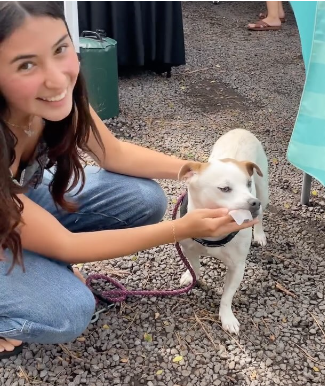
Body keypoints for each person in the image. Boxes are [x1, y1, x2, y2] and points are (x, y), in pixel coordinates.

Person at [0, 1, 259, 359]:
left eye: (60, 49)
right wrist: (182, 229)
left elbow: (114, 154)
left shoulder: (58, 99)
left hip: (18, 203)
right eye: (26, 64)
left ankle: (37, 264)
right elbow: (67, 246)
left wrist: (200, 169)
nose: (58, 78)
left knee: (144, 198)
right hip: (6, 214)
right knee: (68, 311)